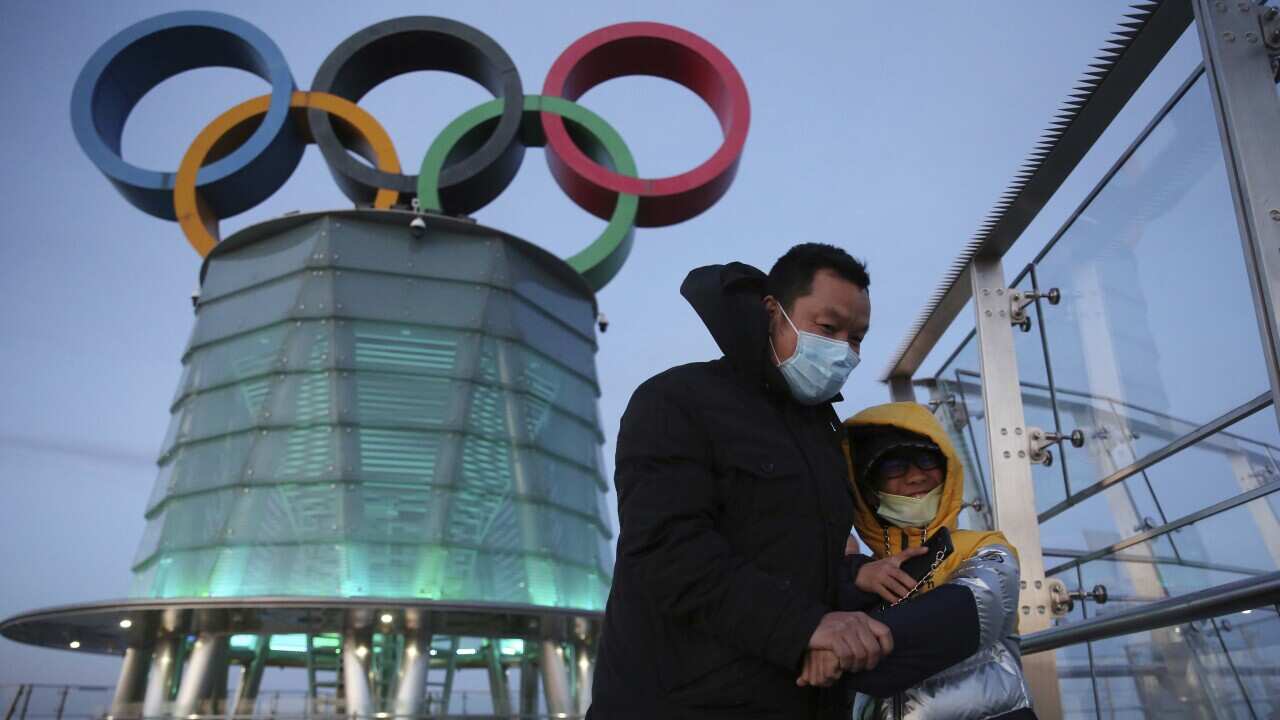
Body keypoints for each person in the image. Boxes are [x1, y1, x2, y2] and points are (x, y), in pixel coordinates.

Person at [587, 244, 879, 719]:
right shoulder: (677, 400)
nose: (844, 350)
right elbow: (667, 550)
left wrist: (864, 578)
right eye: (827, 328)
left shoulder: (824, 437)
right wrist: (806, 628)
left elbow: (802, 565)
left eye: (857, 337)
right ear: (773, 311)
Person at [797, 402, 1036, 719]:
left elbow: (979, 602)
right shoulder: (860, 578)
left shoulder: (984, 546)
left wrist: (837, 647)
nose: (915, 477)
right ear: (867, 489)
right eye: (892, 467)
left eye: (927, 460)